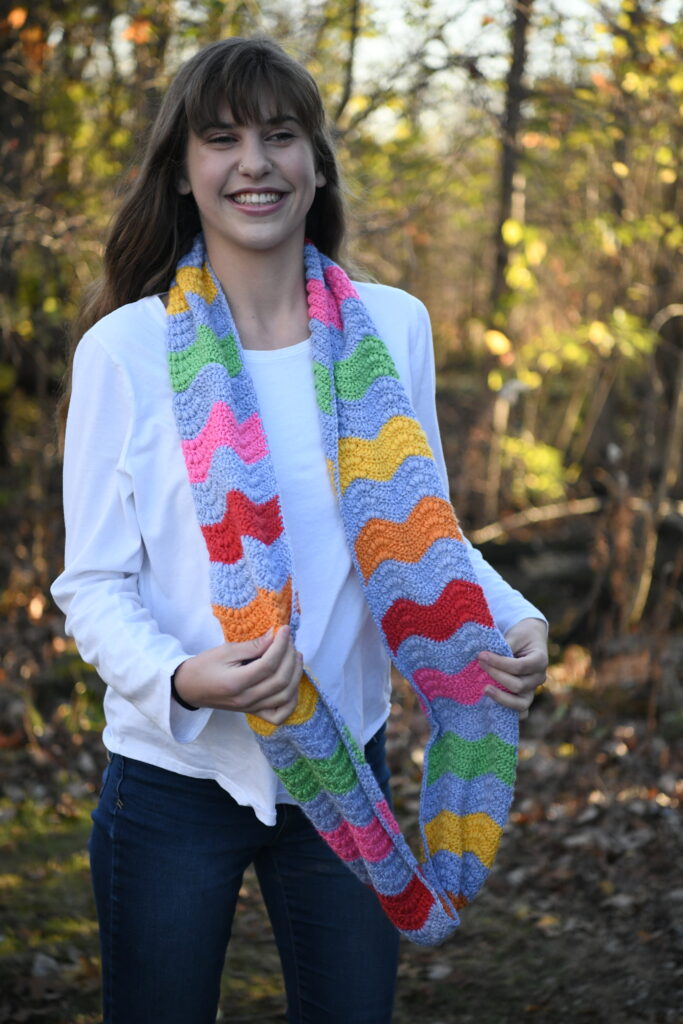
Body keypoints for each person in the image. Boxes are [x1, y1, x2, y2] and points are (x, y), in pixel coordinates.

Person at [51, 35, 548, 1024]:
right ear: (184, 174)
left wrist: (513, 618)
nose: (253, 162)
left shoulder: (390, 327)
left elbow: (424, 534)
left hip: (345, 773)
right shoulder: (126, 349)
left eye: (280, 136)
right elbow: (92, 584)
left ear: (313, 164)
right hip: (174, 777)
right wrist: (183, 677)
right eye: (222, 138)